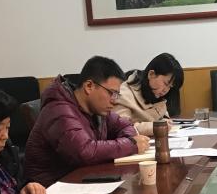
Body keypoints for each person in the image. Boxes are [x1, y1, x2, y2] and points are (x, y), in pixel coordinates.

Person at [24, 56, 151, 185]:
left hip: (82, 180)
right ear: (89, 86)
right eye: (111, 93)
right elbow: (84, 152)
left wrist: (130, 140)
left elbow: (125, 126)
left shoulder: (97, 109)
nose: (114, 100)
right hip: (50, 189)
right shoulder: (59, 110)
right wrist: (131, 144)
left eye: (117, 95)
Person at [113, 52, 185, 135]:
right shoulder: (123, 93)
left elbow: (164, 118)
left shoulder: (157, 96)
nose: (166, 90)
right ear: (151, 74)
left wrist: (166, 121)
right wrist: (155, 127)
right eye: (165, 83)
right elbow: (122, 129)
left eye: (170, 87)